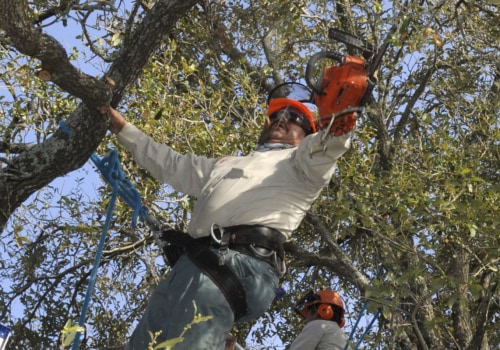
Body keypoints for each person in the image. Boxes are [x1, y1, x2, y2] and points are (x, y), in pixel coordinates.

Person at [108, 82, 354, 349]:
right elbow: (171, 165)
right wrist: (122, 128)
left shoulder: (302, 163)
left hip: (235, 265)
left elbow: (329, 143)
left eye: (295, 118)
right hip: (193, 266)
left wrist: (341, 114)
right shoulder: (225, 165)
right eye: (276, 115)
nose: (282, 119)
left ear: (306, 136)